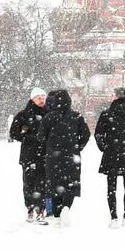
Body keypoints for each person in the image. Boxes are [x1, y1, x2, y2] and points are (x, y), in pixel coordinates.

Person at [38, 89, 90, 227]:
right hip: (72, 157)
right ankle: (66, 207)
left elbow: (41, 137)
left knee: (54, 185)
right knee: (70, 185)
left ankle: (56, 215)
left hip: (53, 157)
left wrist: (49, 145)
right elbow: (86, 134)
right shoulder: (77, 117)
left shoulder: (48, 118)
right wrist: (78, 146)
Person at [95, 88, 125, 227]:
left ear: (115, 97)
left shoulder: (106, 114)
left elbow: (98, 134)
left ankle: (113, 218)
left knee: (111, 187)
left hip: (111, 154)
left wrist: (104, 147)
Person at [11, 89, 50, 223]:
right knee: (29, 183)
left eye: (43, 97)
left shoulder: (48, 114)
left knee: (43, 183)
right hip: (29, 155)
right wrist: (27, 138)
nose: (42, 100)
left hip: (45, 155)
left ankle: (41, 209)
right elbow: (14, 133)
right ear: (32, 99)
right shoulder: (23, 115)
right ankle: (30, 208)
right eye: (39, 97)